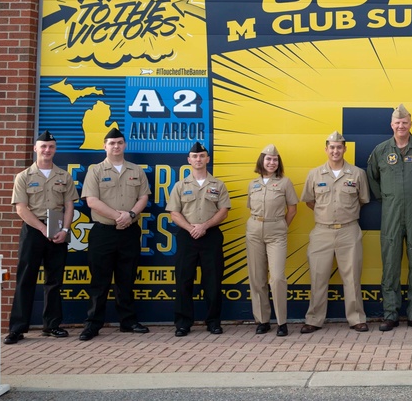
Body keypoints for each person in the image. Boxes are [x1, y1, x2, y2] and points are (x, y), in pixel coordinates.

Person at [366, 104, 412, 331]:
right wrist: (388, 198)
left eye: (404, 122)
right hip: (391, 214)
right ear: (391, 125)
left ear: (410, 124)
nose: (401, 126)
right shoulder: (380, 150)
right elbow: (372, 178)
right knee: (390, 264)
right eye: (397, 122)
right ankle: (390, 313)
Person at [4, 131, 78, 345]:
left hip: (57, 230)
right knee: (26, 279)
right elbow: (21, 209)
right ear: (35, 148)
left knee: (54, 280)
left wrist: (64, 230)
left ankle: (52, 325)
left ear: (55, 149)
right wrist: (42, 228)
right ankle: (17, 328)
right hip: (33, 230)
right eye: (43, 146)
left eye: (51, 147)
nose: (47, 150)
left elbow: (69, 206)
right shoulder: (24, 177)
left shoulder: (64, 176)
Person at [79, 127, 151, 341]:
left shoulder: (136, 170)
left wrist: (129, 216)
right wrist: (118, 217)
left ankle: (128, 321)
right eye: (112, 143)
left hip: (129, 232)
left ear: (125, 145)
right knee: (99, 281)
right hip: (103, 232)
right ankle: (93, 324)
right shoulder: (95, 170)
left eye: (119, 142)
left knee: (126, 279)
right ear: (104, 146)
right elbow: (91, 201)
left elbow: (143, 198)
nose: (116, 146)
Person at [301, 131, 371, 334]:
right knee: (318, 276)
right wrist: (326, 214)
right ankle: (314, 319)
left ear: (345, 149)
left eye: (339, 147)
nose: (335, 151)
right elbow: (309, 201)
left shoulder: (357, 173)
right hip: (322, 231)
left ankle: (356, 318)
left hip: (349, 230)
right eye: (331, 147)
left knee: (352, 277)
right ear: (326, 149)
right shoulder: (314, 174)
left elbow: (363, 199)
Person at [167, 142, 232, 336]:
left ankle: (213, 321)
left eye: (202, 156)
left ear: (207, 159)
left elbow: (223, 211)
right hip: (187, 236)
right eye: (194, 156)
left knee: (212, 281)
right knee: (183, 280)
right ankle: (183, 323)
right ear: (189, 160)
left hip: (210, 235)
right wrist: (190, 228)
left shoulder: (218, 185)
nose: (198, 159)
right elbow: (174, 213)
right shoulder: (180, 185)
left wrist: (204, 226)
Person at [245, 144, 298, 337]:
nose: (271, 162)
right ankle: (262, 320)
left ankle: (282, 321)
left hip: (276, 230)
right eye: (268, 159)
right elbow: (251, 208)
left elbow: (292, 209)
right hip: (254, 230)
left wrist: (282, 226)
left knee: (276, 278)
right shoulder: (253, 184)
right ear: (262, 161)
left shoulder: (285, 182)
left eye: (275, 159)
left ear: (278, 162)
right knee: (257, 277)